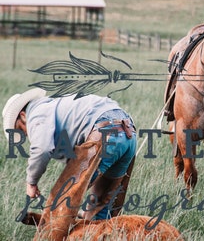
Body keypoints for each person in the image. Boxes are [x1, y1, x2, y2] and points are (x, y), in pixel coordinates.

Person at [2, 88, 137, 220]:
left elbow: (42, 149)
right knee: (100, 207)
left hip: (104, 134)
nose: (26, 134)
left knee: (60, 202)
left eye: (21, 129)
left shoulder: (37, 113)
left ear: (23, 116)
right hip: (129, 134)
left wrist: (31, 182)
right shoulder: (56, 105)